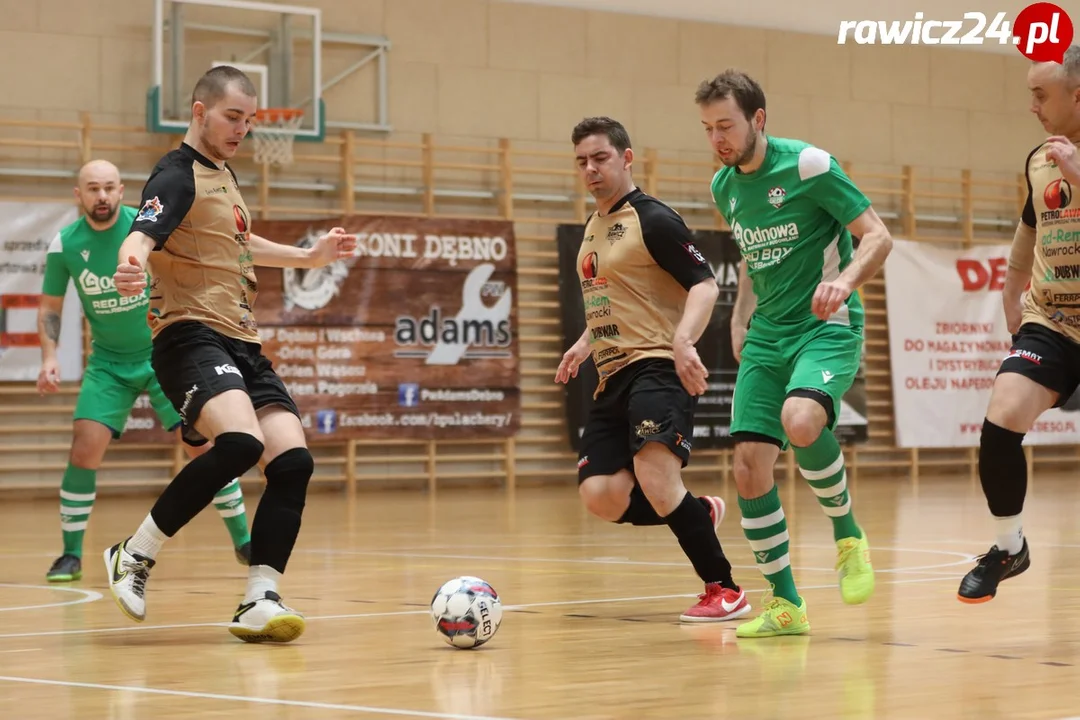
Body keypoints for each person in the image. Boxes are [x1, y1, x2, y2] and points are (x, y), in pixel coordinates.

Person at [103, 65, 356, 643]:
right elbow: (142, 232)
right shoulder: (176, 175)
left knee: (292, 461)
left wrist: (310, 257)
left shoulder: (223, 175)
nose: (242, 128)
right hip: (189, 335)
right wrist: (131, 262)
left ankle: (259, 597)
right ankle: (134, 554)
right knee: (242, 443)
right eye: (232, 117)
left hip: (242, 341)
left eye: (249, 119)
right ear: (200, 112)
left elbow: (241, 244)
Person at [696, 69, 893, 637]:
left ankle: (848, 535)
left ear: (758, 119)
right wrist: (738, 314)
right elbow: (757, 261)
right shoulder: (724, 187)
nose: (718, 140)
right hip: (767, 335)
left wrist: (847, 281)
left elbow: (878, 235)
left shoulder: (809, 166)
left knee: (801, 419)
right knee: (749, 468)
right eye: (708, 129)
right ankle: (786, 605)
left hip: (824, 327)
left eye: (726, 126)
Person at [555, 116, 750, 622]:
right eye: (582, 161)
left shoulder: (654, 219)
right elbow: (614, 301)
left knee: (654, 473)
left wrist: (683, 341)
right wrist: (582, 345)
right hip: (610, 373)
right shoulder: (594, 227)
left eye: (600, 158)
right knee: (601, 495)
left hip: (657, 367)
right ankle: (697, 513)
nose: (591, 169)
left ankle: (725, 589)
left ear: (626, 158)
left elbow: (704, 285)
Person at [37, 159, 251, 584]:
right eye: (93, 189)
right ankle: (70, 554)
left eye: (110, 187)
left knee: (203, 448)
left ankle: (245, 541)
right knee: (84, 448)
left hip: (163, 355)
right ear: (79, 196)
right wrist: (49, 356)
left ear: (121, 191)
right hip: (108, 364)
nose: (102, 196)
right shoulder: (65, 245)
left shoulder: (148, 228)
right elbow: (51, 307)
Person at [957, 46, 1080, 603]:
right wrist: (1012, 293)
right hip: (1052, 321)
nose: (1031, 105)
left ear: (1076, 94)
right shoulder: (1039, 159)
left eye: (1040, 94)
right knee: (1002, 418)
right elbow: (1029, 227)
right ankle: (1009, 546)